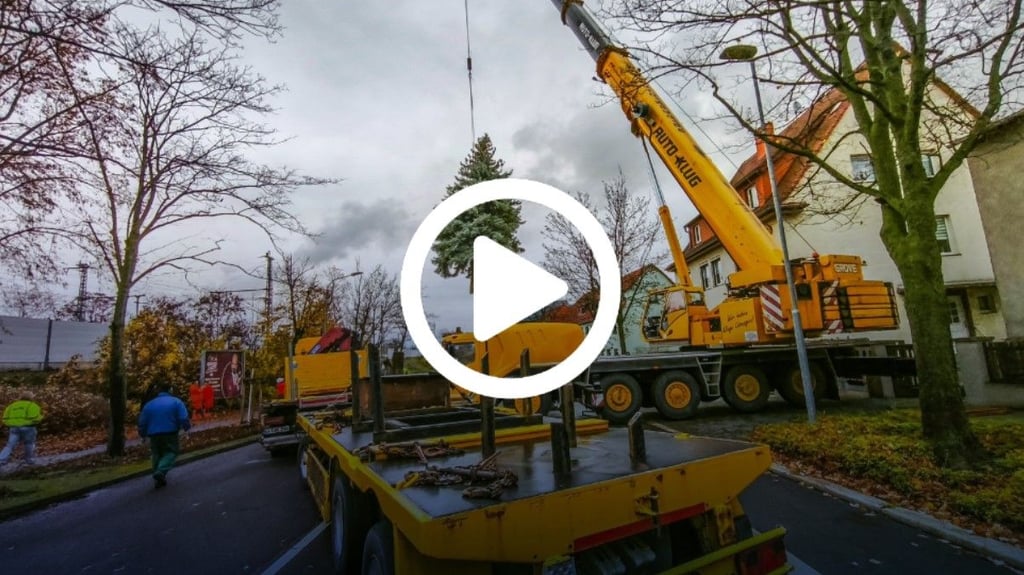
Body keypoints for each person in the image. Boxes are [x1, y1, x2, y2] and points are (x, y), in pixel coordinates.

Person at [137, 382, 191, 488]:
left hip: (153, 434)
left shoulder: (149, 404)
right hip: (170, 432)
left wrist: (142, 434)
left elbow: (142, 422)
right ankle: (160, 471)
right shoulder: (176, 402)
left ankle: (159, 477)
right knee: (171, 452)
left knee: (157, 454)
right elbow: (183, 418)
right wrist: (186, 428)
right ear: (170, 390)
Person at [0, 392, 43, 467]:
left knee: (9, 445)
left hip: (13, 428)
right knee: (29, 444)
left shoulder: (11, 406)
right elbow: (36, 418)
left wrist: (10, 424)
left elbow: (4, 418)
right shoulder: (32, 405)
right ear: (31, 397)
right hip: (28, 428)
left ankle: (1, 460)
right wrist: (40, 418)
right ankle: (29, 460)